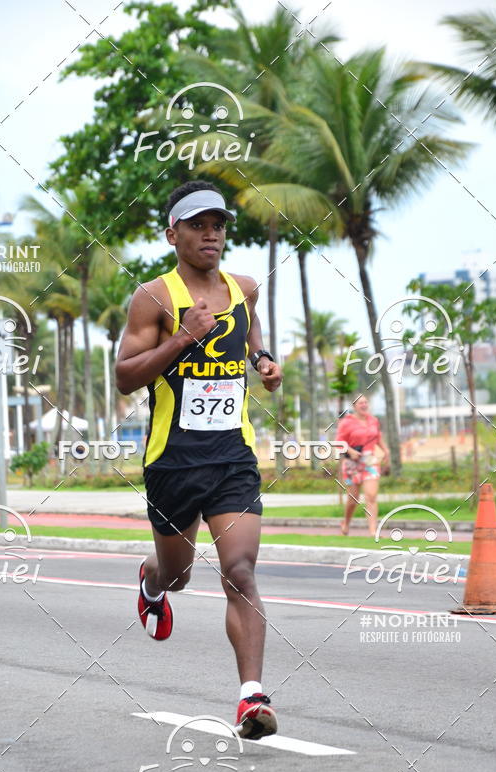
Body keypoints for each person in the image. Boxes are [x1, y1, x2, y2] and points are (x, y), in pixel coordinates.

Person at [115, 180, 282, 740]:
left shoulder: (244, 287)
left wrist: (261, 358)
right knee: (180, 574)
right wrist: (182, 339)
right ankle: (152, 581)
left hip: (233, 455)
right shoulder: (154, 298)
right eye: (197, 224)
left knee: (240, 571)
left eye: (219, 224)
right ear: (173, 234)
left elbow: (250, 323)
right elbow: (124, 377)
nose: (212, 233)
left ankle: (250, 697)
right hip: (173, 461)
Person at [336, 395, 390, 537]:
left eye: (366, 402)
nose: (364, 405)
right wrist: (351, 451)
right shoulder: (346, 422)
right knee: (353, 499)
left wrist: (386, 450)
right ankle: (346, 522)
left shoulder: (374, 420)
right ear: (354, 406)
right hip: (351, 464)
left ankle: (373, 531)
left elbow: (377, 437)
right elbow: (338, 442)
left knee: (371, 496)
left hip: (370, 462)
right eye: (361, 403)